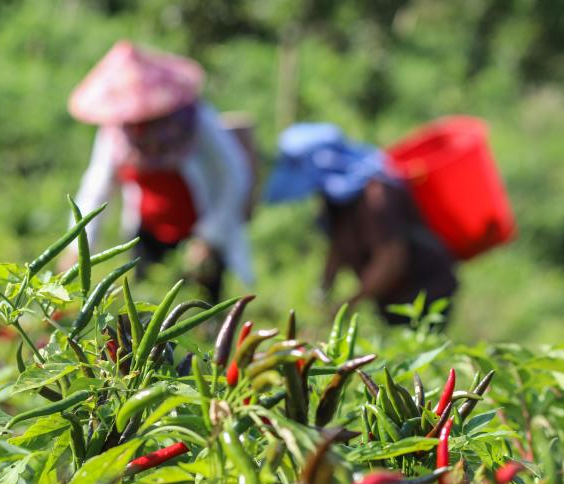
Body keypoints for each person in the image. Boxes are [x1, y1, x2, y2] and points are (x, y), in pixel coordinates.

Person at [64, 40, 254, 301]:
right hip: (148, 233)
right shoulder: (118, 133)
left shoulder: (193, 122)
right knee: (148, 307)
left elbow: (234, 174)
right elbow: (96, 187)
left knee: (202, 310)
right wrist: (78, 247)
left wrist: (209, 237)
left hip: (199, 228)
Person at [265, 123, 458, 325]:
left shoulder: (376, 196)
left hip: (425, 287)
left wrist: (347, 305)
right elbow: (338, 246)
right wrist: (323, 290)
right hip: (391, 295)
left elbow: (390, 261)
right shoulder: (335, 202)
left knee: (418, 346)